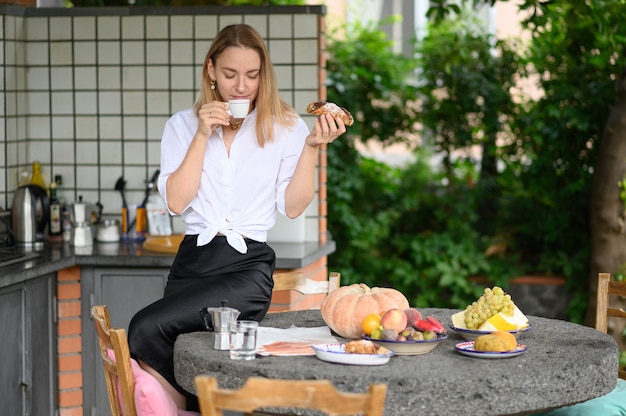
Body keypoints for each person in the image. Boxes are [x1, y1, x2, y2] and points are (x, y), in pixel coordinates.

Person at [127, 23, 347, 410]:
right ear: (211, 70)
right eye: (230, 74)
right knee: (182, 351)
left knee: (144, 327)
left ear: (264, 75)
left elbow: (293, 207)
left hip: (247, 269)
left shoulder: (287, 127)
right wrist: (201, 134)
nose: (242, 86)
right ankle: (197, 407)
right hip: (192, 264)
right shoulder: (181, 126)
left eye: (252, 75)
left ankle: (190, 406)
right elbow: (177, 203)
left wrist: (312, 147)